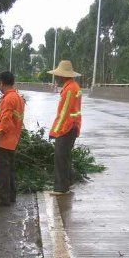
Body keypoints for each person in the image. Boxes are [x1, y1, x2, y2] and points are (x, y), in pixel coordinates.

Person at [48, 60, 82, 195]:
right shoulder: (73, 87)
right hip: (72, 127)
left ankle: (61, 188)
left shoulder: (69, 89)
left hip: (67, 128)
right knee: (65, 156)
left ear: (63, 76)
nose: (56, 77)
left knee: (60, 157)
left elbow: (64, 114)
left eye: (58, 75)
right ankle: (69, 181)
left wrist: (55, 131)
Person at [0, 71, 25, 206]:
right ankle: (11, 196)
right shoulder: (17, 97)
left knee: (1, 172)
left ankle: (3, 199)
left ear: (1, 83)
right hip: (12, 140)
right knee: (9, 170)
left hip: (4, 141)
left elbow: (5, 121)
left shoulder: (8, 99)